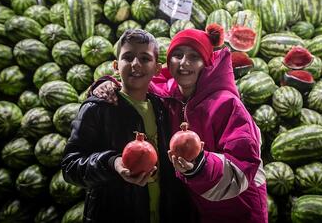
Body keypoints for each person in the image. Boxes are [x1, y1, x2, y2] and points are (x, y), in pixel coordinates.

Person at [92, 24, 268, 223]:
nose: (184, 63)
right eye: (178, 55)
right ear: (168, 62)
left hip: (239, 208)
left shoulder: (228, 104)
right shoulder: (170, 95)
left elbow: (244, 164)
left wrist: (199, 165)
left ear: (207, 63)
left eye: (194, 57)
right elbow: (139, 81)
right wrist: (109, 84)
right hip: (199, 207)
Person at [61, 29, 195, 223]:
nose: (135, 64)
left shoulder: (162, 108)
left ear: (157, 69)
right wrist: (112, 163)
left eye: (145, 58)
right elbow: (70, 166)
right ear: (116, 66)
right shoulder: (97, 108)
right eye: (128, 57)